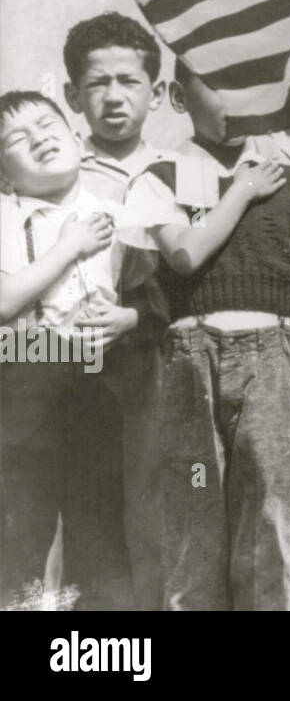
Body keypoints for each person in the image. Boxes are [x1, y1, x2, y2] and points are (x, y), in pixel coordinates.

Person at [122, 61, 290, 609]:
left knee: (274, 520)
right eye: (217, 85)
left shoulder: (287, 177)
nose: (235, 101)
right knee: (194, 523)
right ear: (178, 97)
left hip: (273, 354)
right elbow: (185, 255)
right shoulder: (159, 175)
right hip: (191, 359)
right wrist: (240, 192)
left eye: (248, 83)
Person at [0, 91, 141, 610]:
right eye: (16, 137)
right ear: (2, 172)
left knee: (99, 519)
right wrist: (68, 247)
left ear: (77, 138)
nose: (38, 136)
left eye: (47, 122)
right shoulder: (6, 215)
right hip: (25, 365)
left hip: (99, 372)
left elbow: (147, 297)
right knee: (23, 519)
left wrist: (130, 318)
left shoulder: (119, 212)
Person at [62, 12, 172, 609]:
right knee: (89, 516)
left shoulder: (184, 175)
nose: (112, 97)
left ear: (155, 92)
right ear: (72, 94)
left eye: (128, 82)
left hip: (161, 366)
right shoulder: (57, 175)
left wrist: (137, 318)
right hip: (77, 372)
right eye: (97, 83)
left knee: (159, 514)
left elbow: (199, 277)